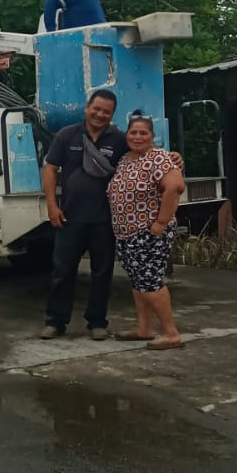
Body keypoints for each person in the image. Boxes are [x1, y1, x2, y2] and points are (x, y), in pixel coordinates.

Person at [41, 89, 125, 341]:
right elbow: (50, 169)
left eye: (106, 112)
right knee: (62, 271)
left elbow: (143, 154)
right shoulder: (67, 135)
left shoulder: (119, 139)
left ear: (112, 114)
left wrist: (173, 158)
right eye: (96, 109)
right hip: (69, 217)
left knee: (102, 273)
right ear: (87, 108)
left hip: (104, 220)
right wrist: (52, 206)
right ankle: (55, 322)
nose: (100, 114)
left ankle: (97, 322)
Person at [107, 113, 185, 350]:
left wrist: (160, 223)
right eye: (133, 132)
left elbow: (175, 186)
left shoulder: (158, 157)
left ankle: (171, 333)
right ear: (127, 135)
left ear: (152, 136)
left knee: (150, 281)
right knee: (138, 281)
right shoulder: (125, 160)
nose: (138, 137)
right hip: (126, 234)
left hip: (149, 233)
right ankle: (144, 328)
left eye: (143, 133)